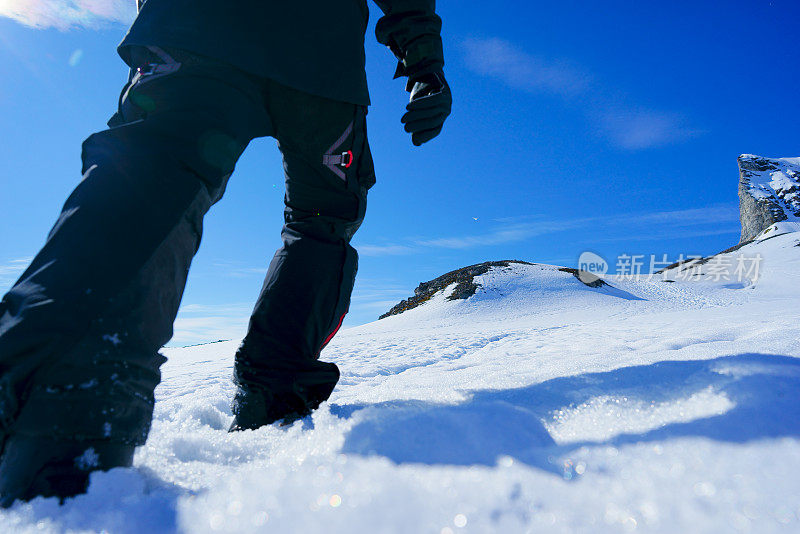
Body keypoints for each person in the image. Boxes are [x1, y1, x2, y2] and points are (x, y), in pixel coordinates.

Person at [0, 0, 451, 506]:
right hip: (290, 51)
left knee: (164, 172)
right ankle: (69, 401)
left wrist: (424, 61)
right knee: (313, 218)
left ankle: (72, 398)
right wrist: (424, 60)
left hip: (230, 40)